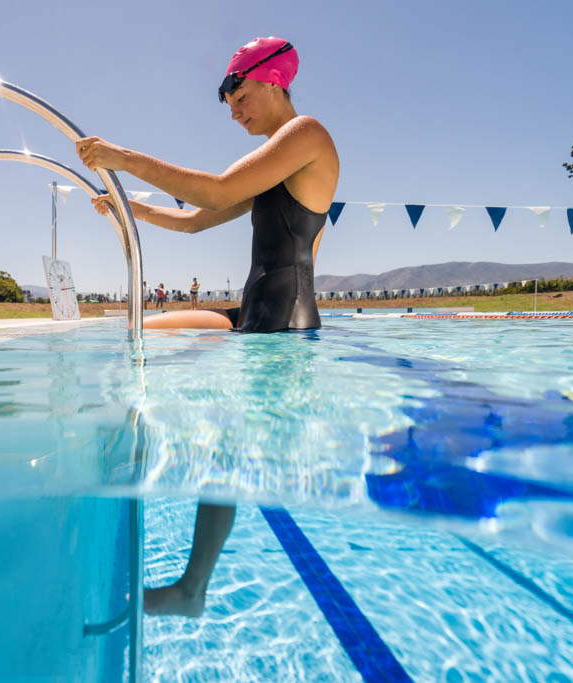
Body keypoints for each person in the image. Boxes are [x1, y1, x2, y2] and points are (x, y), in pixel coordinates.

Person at [77, 36, 339, 617]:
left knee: (227, 453)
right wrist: (131, 209)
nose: (234, 111)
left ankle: (192, 590)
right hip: (264, 328)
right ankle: (190, 588)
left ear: (273, 81)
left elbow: (216, 189)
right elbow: (198, 219)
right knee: (223, 452)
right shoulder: (278, 161)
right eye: (229, 104)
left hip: (285, 334)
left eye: (240, 96)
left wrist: (123, 157)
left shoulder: (306, 135)